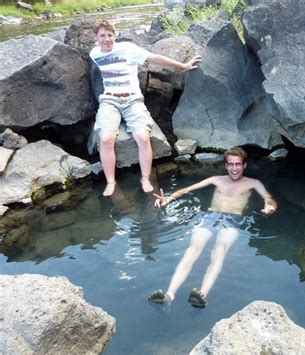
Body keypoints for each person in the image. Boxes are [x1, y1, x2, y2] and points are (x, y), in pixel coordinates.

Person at [149, 146, 277, 308]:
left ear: (244, 166)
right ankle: (169, 295)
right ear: (226, 165)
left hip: (233, 220)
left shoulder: (253, 183)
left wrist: (270, 207)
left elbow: (268, 197)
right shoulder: (216, 179)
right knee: (193, 249)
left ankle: (202, 295)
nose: (234, 168)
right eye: (230, 164)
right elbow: (186, 190)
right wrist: (168, 199)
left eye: (238, 164)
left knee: (220, 249)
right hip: (210, 217)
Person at [90, 20, 201, 196]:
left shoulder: (128, 49)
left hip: (132, 100)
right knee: (106, 138)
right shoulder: (94, 54)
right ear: (95, 37)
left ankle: (145, 178)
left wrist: (184, 66)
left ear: (115, 34)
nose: (107, 39)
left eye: (110, 35)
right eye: (102, 35)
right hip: (109, 102)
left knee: (142, 137)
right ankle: (111, 181)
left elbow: (155, 58)